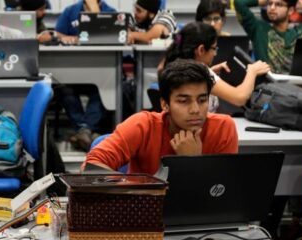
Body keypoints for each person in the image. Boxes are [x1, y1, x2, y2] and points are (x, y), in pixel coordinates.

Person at [83, 60, 238, 174]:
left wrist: (192, 163)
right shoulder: (143, 125)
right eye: (183, 101)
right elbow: (91, 166)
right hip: (143, 206)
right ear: (165, 104)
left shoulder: (223, 127)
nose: (195, 110)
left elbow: (225, 189)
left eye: (202, 100)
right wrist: (130, 191)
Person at [54, 0, 116, 149]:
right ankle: (87, 131)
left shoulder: (110, 12)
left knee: (106, 88)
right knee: (62, 88)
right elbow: (57, 33)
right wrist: (65, 38)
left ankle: (83, 131)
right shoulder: (70, 11)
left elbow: (105, 35)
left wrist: (94, 8)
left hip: (101, 72)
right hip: (72, 71)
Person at [162, 23, 270, 110]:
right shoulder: (202, 72)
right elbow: (239, 98)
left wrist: (211, 71)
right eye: (214, 48)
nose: (215, 53)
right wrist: (252, 71)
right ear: (201, 50)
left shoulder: (177, 66)